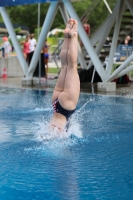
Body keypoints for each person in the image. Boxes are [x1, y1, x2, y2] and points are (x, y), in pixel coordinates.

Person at [49, 18, 80, 134]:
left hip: (66, 107)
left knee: (71, 67)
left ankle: (73, 34)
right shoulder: (48, 132)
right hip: (55, 104)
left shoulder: (56, 136)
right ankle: (67, 35)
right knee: (64, 66)